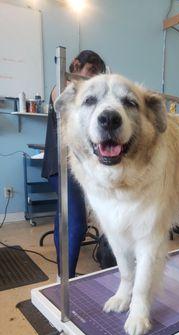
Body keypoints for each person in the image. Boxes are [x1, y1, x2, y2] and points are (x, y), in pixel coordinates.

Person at [42, 50, 106, 278]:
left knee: (66, 220)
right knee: (77, 224)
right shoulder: (63, 89)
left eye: (96, 74)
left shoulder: (82, 92)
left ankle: (63, 276)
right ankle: (66, 279)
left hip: (77, 167)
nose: (92, 78)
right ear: (76, 65)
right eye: (90, 71)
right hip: (61, 167)